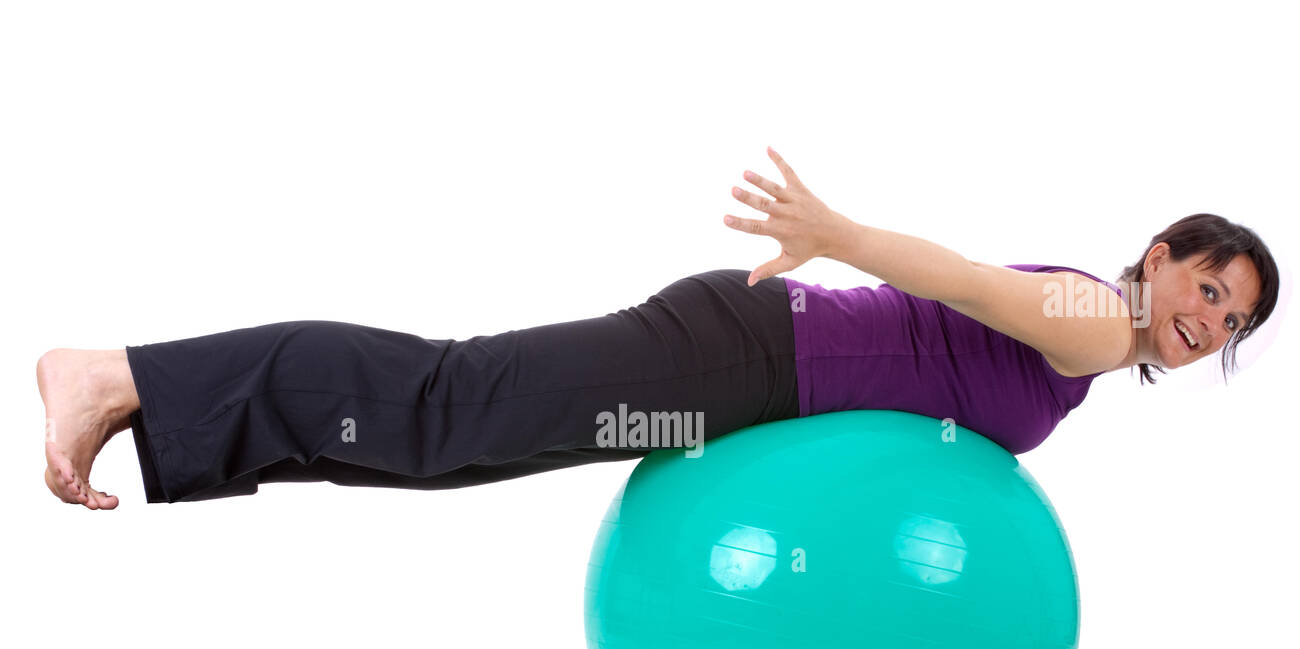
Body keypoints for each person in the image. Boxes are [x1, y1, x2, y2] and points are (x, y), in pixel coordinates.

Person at [36, 147, 1278, 510]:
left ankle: (157, 411)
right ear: (1160, 254)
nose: (1203, 321)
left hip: (739, 379)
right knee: (438, 397)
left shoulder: (1095, 348)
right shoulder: (1096, 324)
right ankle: (115, 371)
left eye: (1230, 322)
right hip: (739, 352)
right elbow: (957, 277)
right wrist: (836, 229)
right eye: (1207, 286)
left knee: (442, 447)